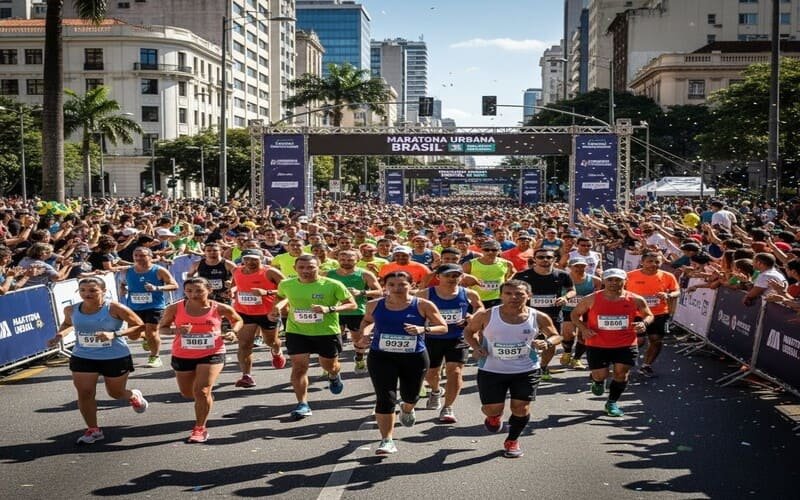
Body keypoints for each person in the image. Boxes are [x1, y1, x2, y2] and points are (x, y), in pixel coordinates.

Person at [353, 271, 448, 455]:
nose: (397, 288)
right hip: (381, 356)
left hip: (414, 357)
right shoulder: (374, 304)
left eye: (402, 284)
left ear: (411, 285)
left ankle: (407, 408)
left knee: (411, 395)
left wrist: (423, 329)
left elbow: (443, 327)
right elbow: (367, 321)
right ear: (385, 286)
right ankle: (387, 440)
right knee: (385, 398)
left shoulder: (423, 305)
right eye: (392, 285)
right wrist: (364, 335)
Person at [464, 280, 561, 458]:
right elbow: (469, 332)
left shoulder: (538, 316)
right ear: (501, 295)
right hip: (492, 369)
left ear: (529, 296)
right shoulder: (486, 315)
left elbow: (556, 335)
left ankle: (512, 440)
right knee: (492, 409)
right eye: (508, 294)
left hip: (526, 369)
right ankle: (494, 417)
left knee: (521, 408)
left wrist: (547, 342)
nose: (513, 297)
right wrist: (476, 347)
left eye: (519, 294)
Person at [46, 276, 148, 444]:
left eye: (93, 290)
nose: (87, 294)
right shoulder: (71, 309)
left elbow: (140, 325)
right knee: (85, 393)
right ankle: (93, 430)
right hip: (83, 355)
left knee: (115, 393)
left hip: (114, 356)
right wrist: (59, 336)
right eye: (83, 290)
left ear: (104, 291)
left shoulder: (114, 308)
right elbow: (68, 324)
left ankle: (133, 395)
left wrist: (114, 334)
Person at [268, 255, 357, 419]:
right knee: (299, 368)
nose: (305, 271)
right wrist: (276, 308)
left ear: (319, 267)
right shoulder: (286, 284)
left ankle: (334, 375)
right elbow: (280, 296)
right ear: (295, 269)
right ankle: (302, 404)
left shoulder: (332, 284)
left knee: (329, 366)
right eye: (301, 267)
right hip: (297, 331)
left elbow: (352, 304)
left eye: (310, 267)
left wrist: (329, 309)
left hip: (326, 332)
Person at [158, 277, 244, 443]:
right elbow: (162, 328)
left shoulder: (219, 307)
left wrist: (233, 332)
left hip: (213, 352)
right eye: (189, 291)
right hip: (183, 354)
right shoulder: (175, 308)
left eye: (199, 291)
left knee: (202, 391)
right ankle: (205, 401)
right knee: (187, 393)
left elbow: (238, 320)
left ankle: (199, 428)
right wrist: (176, 331)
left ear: (209, 290)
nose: (193, 294)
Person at [570, 269, 654, 417]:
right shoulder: (591, 298)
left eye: (618, 280)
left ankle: (612, 402)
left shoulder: (635, 299)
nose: (614, 283)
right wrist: (583, 329)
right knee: (600, 375)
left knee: (621, 373)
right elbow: (574, 314)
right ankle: (597, 381)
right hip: (597, 343)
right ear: (603, 281)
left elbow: (649, 314)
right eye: (610, 280)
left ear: (625, 281)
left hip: (626, 343)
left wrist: (644, 323)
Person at [417, 263, 484, 423]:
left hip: (457, 337)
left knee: (455, 372)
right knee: (431, 373)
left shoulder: (469, 293)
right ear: (438, 277)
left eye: (455, 275)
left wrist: (471, 317)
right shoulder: (425, 294)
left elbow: (479, 308)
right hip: (432, 338)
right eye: (447, 275)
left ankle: (448, 407)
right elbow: (413, 310)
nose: (451, 279)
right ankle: (435, 390)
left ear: (462, 277)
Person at [512, 248, 575, 380]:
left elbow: (572, 290)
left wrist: (566, 297)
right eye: (541, 257)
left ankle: (543, 367)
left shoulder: (562, 275)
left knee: (551, 343)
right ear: (534, 259)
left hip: (553, 315)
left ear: (554, 259)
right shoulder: (522, 275)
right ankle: (523, 368)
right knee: (524, 342)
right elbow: (510, 291)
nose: (545, 260)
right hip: (527, 315)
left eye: (548, 257)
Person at [230, 248, 287, 388]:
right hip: (244, 312)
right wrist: (231, 290)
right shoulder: (236, 271)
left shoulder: (270, 272)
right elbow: (235, 285)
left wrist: (266, 292)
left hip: (267, 313)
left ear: (261, 259)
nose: (250, 262)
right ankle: (246, 376)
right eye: (246, 259)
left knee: (270, 341)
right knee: (244, 344)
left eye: (254, 259)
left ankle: (276, 351)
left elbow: (288, 289)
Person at [119, 246, 178, 368]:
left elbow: (174, 285)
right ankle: (145, 337)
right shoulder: (127, 271)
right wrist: (122, 289)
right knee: (132, 335)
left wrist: (157, 288)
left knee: (152, 332)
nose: (138, 258)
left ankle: (154, 357)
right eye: (136, 256)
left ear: (150, 257)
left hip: (154, 306)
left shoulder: (159, 270)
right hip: (134, 307)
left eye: (142, 255)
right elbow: (123, 283)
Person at [326, 249, 382, 374]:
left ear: (357, 260)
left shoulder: (365, 274)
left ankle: (359, 359)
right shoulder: (328, 274)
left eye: (350, 260)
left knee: (358, 339)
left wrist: (361, 292)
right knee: (332, 339)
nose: (346, 262)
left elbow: (379, 292)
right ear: (337, 259)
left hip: (357, 311)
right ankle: (331, 364)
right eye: (342, 259)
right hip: (335, 311)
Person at [624, 252, 680, 377]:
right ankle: (624, 360)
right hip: (636, 313)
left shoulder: (668, 276)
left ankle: (646, 365)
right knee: (639, 340)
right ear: (642, 262)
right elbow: (620, 291)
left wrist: (668, 295)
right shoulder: (630, 276)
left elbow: (677, 291)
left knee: (656, 340)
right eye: (650, 261)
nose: (653, 264)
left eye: (657, 262)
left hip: (659, 313)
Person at [560, 257, 602, 369]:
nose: (579, 268)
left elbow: (598, 296)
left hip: (586, 310)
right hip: (568, 309)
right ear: (570, 267)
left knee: (583, 335)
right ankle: (567, 352)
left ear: (586, 267)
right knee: (569, 334)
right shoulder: (563, 279)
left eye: (582, 266)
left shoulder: (595, 280)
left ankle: (577, 359)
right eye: (576, 266)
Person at [462, 239, 514, 308]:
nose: (490, 252)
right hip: (476, 299)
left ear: (499, 251)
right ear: (481, 250)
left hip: (498, 299)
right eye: (486, 250)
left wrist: (507, 280)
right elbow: (462, 280)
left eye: (494, 250)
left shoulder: (507, 263)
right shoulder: (469, 264)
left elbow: (513, 272)